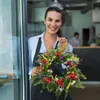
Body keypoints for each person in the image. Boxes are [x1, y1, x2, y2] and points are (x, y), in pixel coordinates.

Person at [28, 6, 73, 100]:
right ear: (44, 20)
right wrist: (31, 72)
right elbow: (25, 68)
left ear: (61, 23)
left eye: (57, 21)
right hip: (37, 94)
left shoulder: (67, 46)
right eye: (50, 20)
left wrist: (60, 52)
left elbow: (67, 74)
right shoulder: (32, 42)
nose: (53, 24)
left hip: (59, 95)